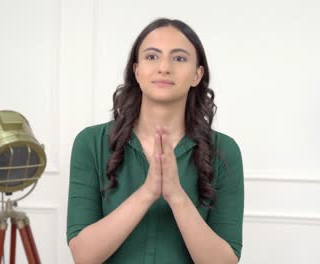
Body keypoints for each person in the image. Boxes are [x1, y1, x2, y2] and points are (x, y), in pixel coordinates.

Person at [66, 18, 244, 264]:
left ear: (197, 74)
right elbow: (84, 256)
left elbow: (224, 262)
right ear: (137, 71)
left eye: (179, 58)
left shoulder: (224, 151)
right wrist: (147, 192)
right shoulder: (90, 143)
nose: (164, 67)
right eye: (152, 56)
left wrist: (177, 196)